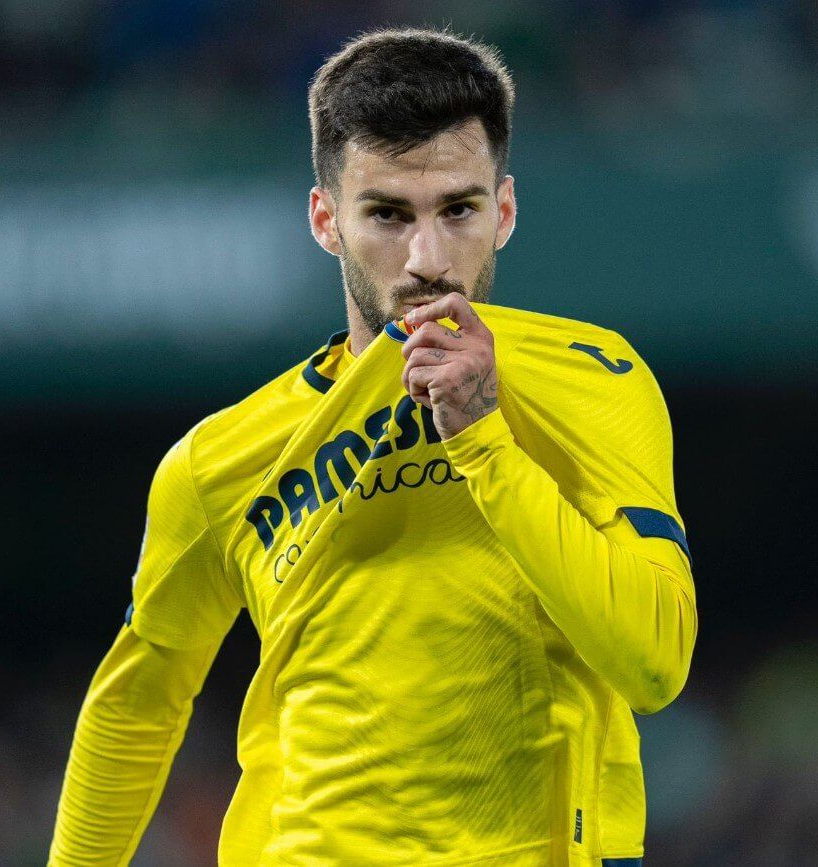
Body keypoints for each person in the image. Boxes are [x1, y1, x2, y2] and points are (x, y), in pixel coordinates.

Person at [49, 27, 696, 866]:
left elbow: (652, 662)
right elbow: (137, 703)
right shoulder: (219, 463)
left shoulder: (594, 378)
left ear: (502, 211)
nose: (427, 259)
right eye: (387, 213)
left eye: (457, 209)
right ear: (325, 220)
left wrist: (484, 441)